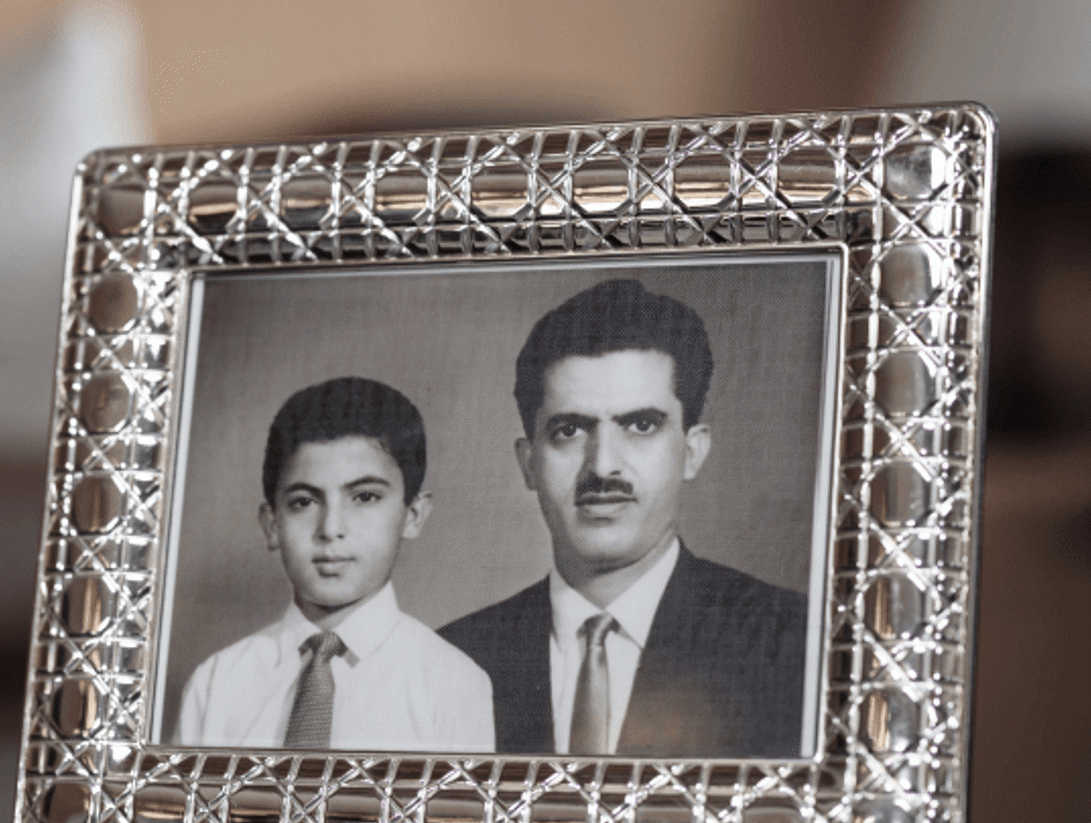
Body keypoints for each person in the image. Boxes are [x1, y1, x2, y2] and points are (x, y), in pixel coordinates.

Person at [440, 278, 808, 759]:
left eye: (641, 425)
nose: (602, 466)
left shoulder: (795, 644)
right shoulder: (450, 659)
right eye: (569, 430)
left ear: (692, 451)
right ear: (528, 464)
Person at [175, 376, 494, 752]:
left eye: (365, 497)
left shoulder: (451, 684)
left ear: (413, 515)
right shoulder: (216, 683)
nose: (330, 529)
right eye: (303, 502)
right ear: (272, 524)